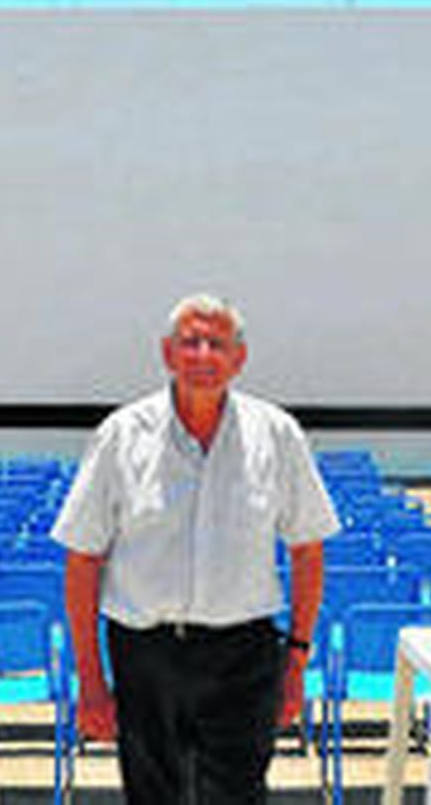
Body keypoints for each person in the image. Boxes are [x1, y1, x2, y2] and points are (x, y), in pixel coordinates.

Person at [51, 293, 339, 803]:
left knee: (237, 795)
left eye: (217, 343)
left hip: (244, 656)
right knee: (152, 795)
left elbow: (308, 552)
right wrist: (92, 681)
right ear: (167, 353)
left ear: (238, 358)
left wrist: (295, 662)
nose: (203, 355)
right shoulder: (121, 436)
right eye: (190, 342)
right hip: (146, 656)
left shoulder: (277, 435)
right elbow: (82, 560)